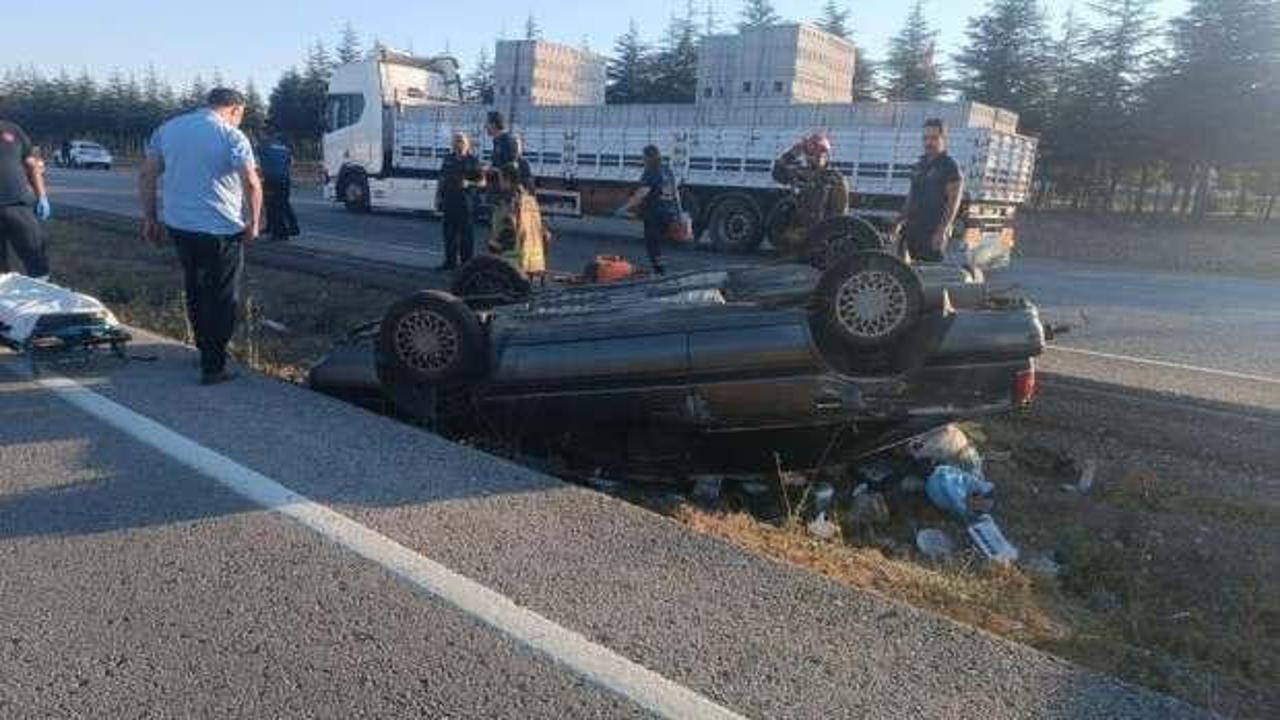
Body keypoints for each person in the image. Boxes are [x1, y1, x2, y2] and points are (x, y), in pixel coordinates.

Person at [139, 88, 262, 386]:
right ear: (234, 109)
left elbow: (147, 175)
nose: (239, 122)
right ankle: (214, 364)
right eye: (240, 116)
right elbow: (251, 182)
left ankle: (203, 347)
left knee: (194, 285)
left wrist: (150, 218)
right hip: (220, 229)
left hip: (180, 226)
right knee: (222, 295)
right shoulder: (231, 135)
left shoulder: (167, 130)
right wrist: (254, 222)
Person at [895, 118, 964, 263]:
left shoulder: (950, 167)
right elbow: (911, 195)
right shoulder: (919, 165)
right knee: (909, 272)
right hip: (913, 229)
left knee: (930, 273)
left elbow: (953, 203)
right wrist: (900, 220)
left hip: (932, 231)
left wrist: (942, 231)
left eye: (933, 138)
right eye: (925, 138)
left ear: (943, 139)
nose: (928, 142)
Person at [770, 133, 849, 254]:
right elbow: (777, 172)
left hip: (821, 241)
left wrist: (828, 239)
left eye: (819, 154)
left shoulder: (834, 179)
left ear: (825, 155)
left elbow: (839, 214)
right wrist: (791, 154)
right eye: (810, 154)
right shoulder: (801, 173)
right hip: (799, 239)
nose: (815, 158)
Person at [0, 117, 51, 279]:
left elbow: (31, 164)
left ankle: (43, 293)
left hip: (17, 205)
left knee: (35, 253)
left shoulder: (13, 130)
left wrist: (42, 196)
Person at [624, 145, 679, 275]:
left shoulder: (650, 171)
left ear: (648, 157)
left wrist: (626, 207)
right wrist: (678, 212)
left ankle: (660, 272)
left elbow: (643, 192)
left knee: (652, 245)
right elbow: (675, 191)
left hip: (654, 213)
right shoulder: (667, 170)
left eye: (643, 157)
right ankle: (661, 270)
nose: (642, 159)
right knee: (659, 245)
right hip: (667, 211)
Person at [436, 131, 483, 270]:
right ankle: (450, 263)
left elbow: (482, 182)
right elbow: (442, 178)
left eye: (461, 141)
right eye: (456, 141)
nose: (458, 144)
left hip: (466, 204)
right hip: (449, 202)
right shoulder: (448, 159)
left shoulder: (473, 160)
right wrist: (437, 196)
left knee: (466, 237)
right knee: (449, 235)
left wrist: (469, 183)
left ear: (467, 143)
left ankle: (466, 265)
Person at [500, 163, 545, 277]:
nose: (500, 183)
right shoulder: (530, 198)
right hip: (535, 261)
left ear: (508, 180)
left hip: (517, 261)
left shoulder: (512, 198)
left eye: (501, 179)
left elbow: (510, 223)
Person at [484, 111, 521, 251]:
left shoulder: (507, 141)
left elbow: (511, 169)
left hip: (505, 197)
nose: (485, 126)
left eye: (487, 123)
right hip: (499, 197)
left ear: (494, 124)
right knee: (497, 231)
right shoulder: (498, 142)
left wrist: (492, 170)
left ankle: (503, 266)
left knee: (503, 233)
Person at [258, 124, 298, 241]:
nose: (259, 135)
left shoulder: (263, 146)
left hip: (271, 179)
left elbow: (255, 161)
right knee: (283, 204)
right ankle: (291, 228)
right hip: (284, 179)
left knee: (273, 206)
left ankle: (280, 233)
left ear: (265, 134)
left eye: (260, 133)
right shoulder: (283, 146)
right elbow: (290, 162)